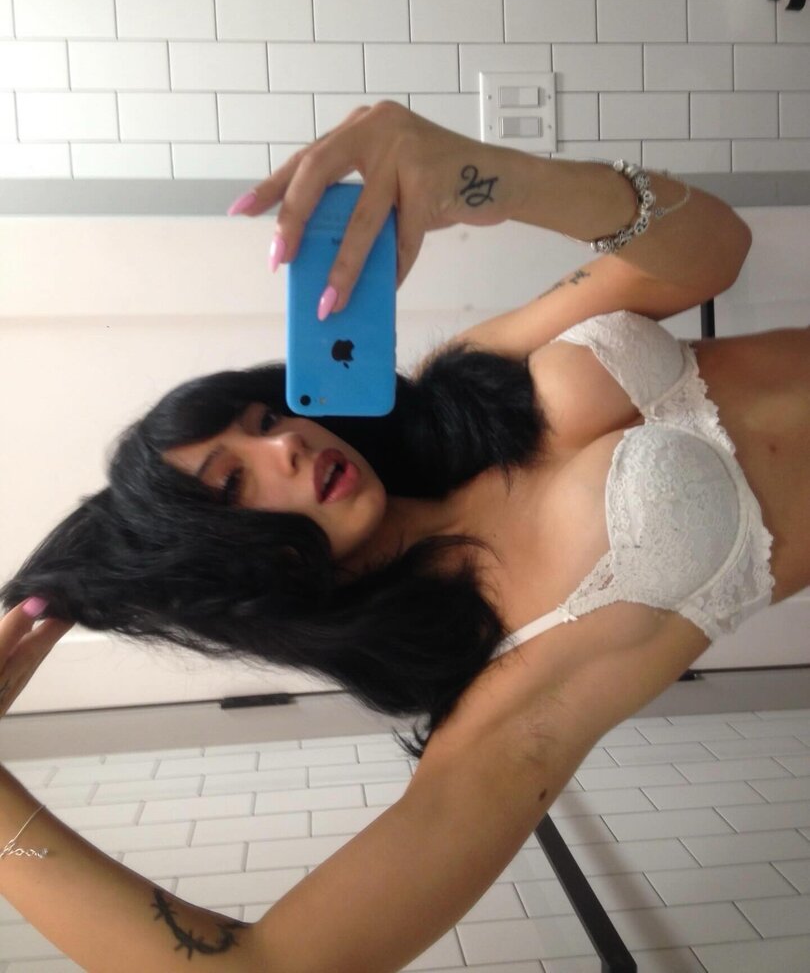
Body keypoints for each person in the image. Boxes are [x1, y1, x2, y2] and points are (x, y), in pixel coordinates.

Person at [1, 100, 808, 972]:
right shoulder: (505, 691)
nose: (285, 442)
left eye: (263, 418)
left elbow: (715, 249)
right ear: (229, 571)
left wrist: (500, 178)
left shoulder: (462, 384)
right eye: (234, 482)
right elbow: (263, 968)